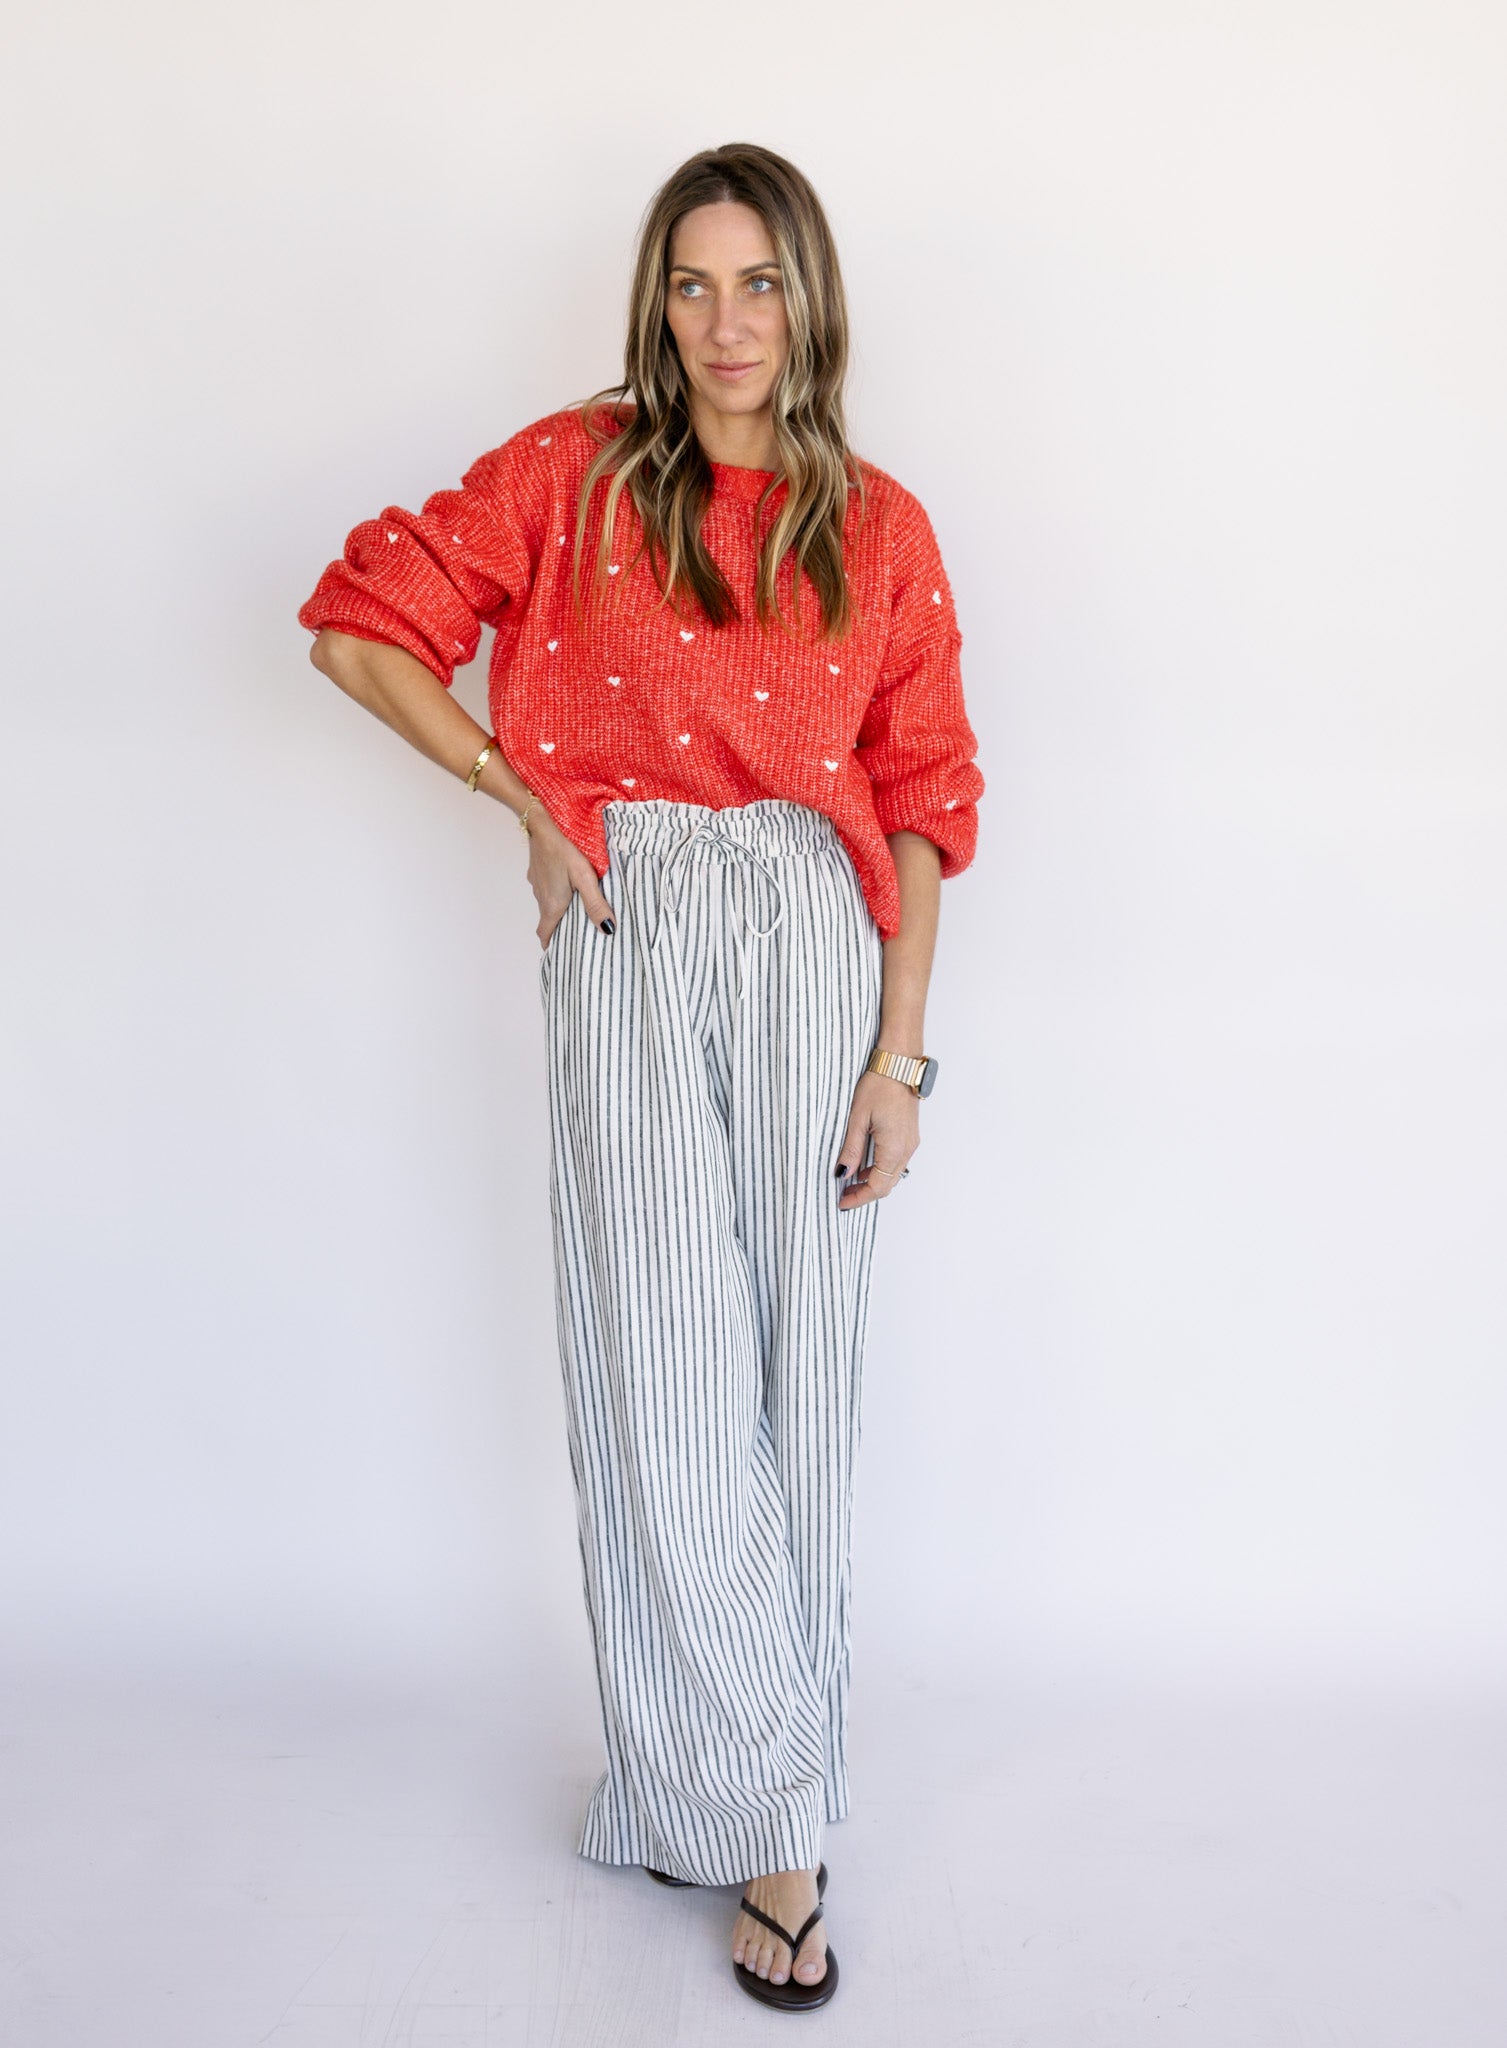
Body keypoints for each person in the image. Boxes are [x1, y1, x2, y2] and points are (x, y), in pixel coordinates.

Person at [297, 140, 984, 2013]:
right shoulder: (576, 474)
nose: (725, 322)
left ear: (809, 301)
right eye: (693, 282)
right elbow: (358, 624)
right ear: (653, 301)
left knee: (798, 1390)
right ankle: (777, 1830)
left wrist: (901, 1054)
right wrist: (520, 795)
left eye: (759, 283)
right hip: (630, 927)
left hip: (820, 950)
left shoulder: (882, 528)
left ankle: (721, 1793)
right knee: (664, 1380)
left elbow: (923, 801)